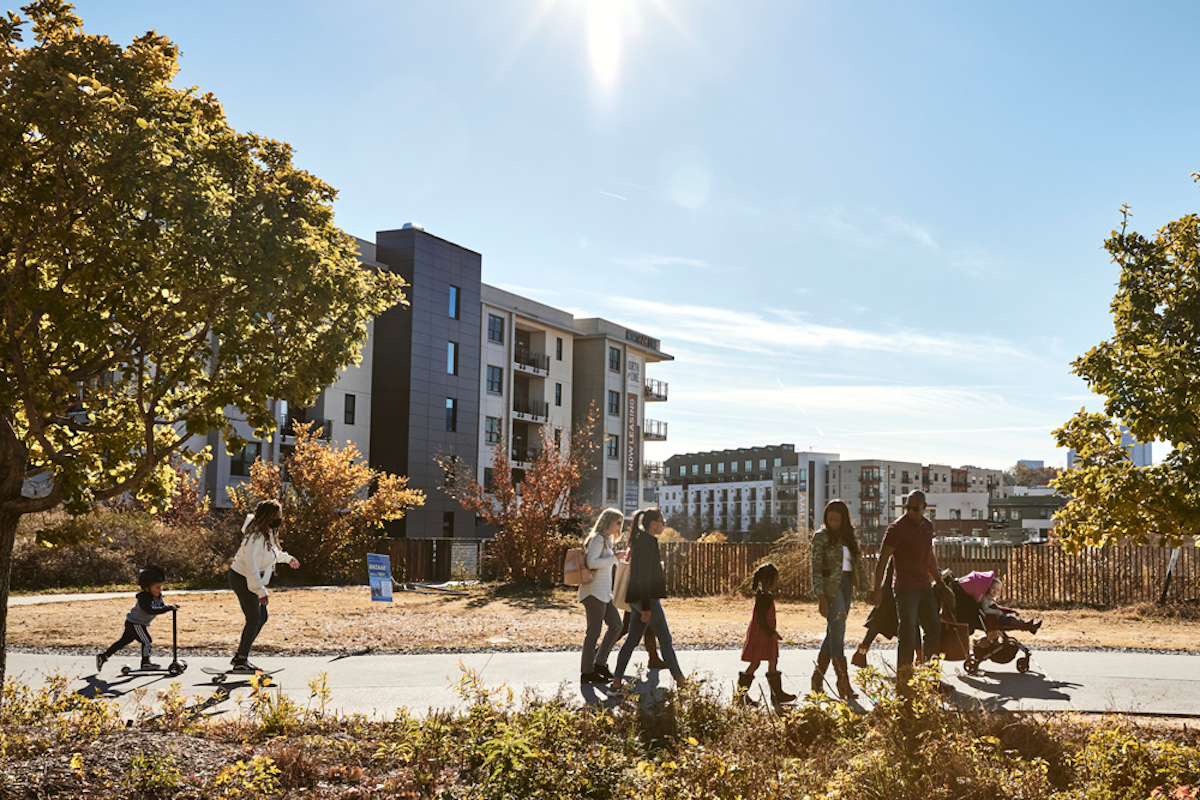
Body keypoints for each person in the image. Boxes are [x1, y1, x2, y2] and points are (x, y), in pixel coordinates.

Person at [871, 489, 941, 696]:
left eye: (916, 508)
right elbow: (882, 559)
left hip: (924, 587)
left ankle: (929, 677)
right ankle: (904, 682)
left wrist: (940, 582)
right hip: (905, 589)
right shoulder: (896, 529)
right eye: (908, 507)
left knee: (934, 629)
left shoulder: (928, 527)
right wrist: (877, 589)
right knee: (908, 633)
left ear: (924, 507)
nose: (911, 511)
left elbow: (929, 557)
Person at [610, 507, 686, 690]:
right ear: (653, 524)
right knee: (665, 640)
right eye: (663, 522)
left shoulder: (640, 540)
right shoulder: (647, 542)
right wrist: (646, 607)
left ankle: (617, 681)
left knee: (632, 640)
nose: (664, 525)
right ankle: (681, 681)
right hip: (647, 599)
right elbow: (643, 576)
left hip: (636, 597)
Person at [228, 499, 299, 672]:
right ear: (267, 516)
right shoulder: (256, 537)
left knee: (262, 617)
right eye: (277, 516)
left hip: (248, 578)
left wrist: (288, 559)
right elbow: (252, 567)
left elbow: (271, 555)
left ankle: (240, 656)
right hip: (241, 577)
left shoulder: (266, 533)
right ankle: (240, 660)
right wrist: (260, 591)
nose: (279, 519)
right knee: (254, 618)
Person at [810, 499, 870, 699]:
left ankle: (817, 679)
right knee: (838, 634)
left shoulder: (849, 538)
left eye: (837, 519)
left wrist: (867, 588)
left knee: (833, 631)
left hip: (847, 587)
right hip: (831, 589)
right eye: (830, 518)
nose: (833, 522)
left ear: (844, 519)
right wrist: (821, 597)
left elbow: (858, 565)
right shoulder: (821, 537)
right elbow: (815, 568)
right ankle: (842, 683)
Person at [96, 565, 178, 672]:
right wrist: (168, 608)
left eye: (161, 587)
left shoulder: (158, 596)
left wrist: (170, 607)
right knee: (147, 641)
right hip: (135, 623)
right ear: (147, 588)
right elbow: (150, 610)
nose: (160, 590)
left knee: (123, 642)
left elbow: (160, 607)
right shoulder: (144, 598)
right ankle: (145, 663)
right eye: (157, 587)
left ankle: (103, 656)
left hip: (137, 623)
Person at [736, 562, 793, 706]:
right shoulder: (764, 597)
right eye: (776, 579)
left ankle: (776, 695)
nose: (777, 582)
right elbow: (761, 619)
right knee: (755, 663)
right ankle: (740, 695)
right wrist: (772, 633)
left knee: (772, 660)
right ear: (769, 580)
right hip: (762, 635)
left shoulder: (765, 595)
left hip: (764, 634)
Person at [579, 507, 623, 683]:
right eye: (618, 522)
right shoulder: (597, 539)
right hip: (593, 592)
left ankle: (599, 663)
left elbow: (609, 563)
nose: (620, 526)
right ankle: (587, 672)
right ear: (608, 522)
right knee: (594, 632)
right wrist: (615, 558)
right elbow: (592, 562)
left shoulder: (606, 541)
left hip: (604, 592)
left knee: (616, 625)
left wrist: (620, 559)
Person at [958, 571, 1042, 637]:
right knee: (1010, 621)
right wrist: (998, 612)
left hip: (997, 617)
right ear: (988, 589)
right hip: (994, 619)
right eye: (993, 589)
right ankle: (1027, 626)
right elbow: (986, 610)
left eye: (997, 590)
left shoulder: (990, 599)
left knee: (1011, 619)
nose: (995, 591)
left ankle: (1028, 626)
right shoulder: (985, 600)